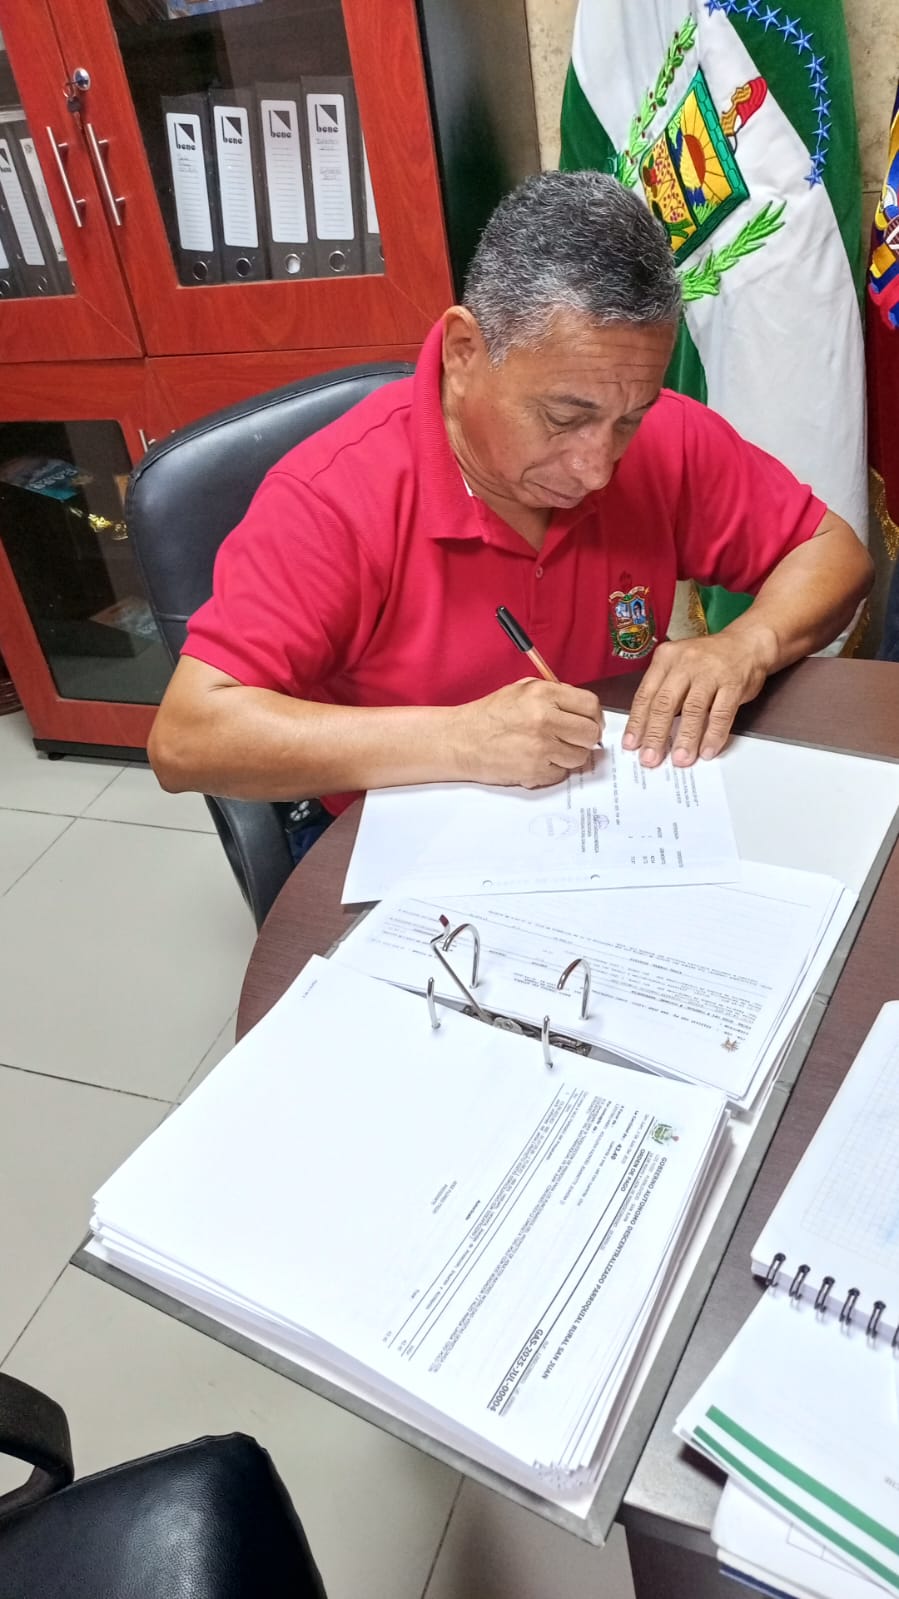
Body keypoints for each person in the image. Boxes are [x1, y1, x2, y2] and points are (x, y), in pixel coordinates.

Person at [149, 171, 872, 856]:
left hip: (613, 815)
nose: (597, 466)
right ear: (465, 351)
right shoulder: (335, 496)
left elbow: (833, 552)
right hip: (402, 834)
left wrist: (745, 644)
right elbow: (187, 738)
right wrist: (461, 740)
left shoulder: (663, 437)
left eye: (627, 420)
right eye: (564, 417)